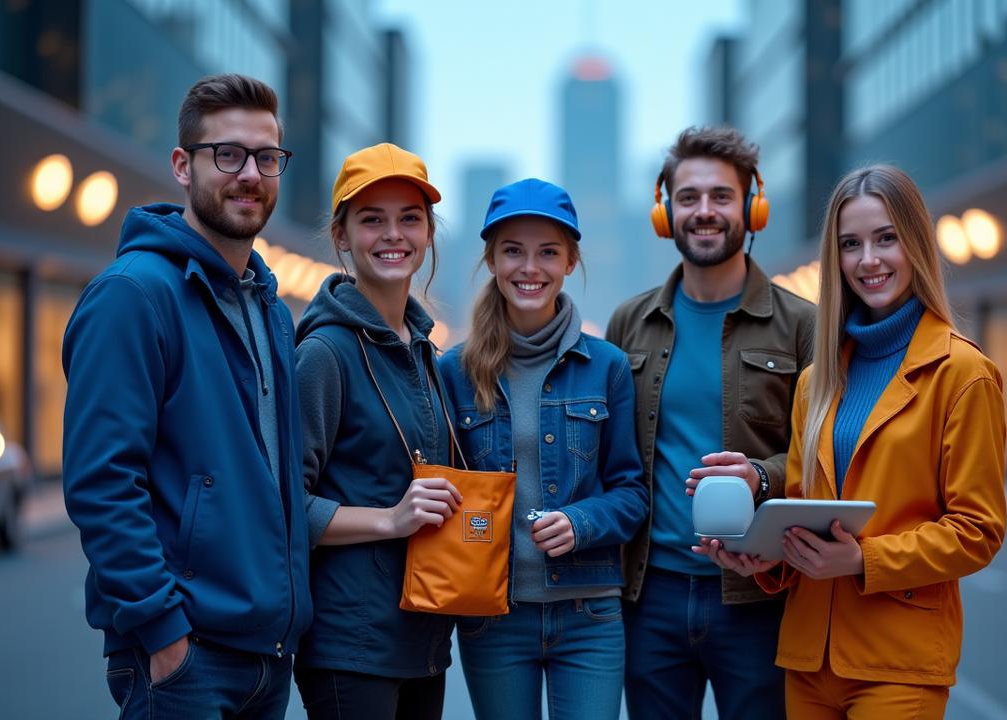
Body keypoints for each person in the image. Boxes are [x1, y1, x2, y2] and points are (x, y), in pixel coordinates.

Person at [696, 164, 1007, 719]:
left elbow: (978, 532)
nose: (868, 260)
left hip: (896, 662)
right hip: (808, 660)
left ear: (915, 243)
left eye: (886, 238)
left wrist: (861, 560)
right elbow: (803, 505)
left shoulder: (963, 373)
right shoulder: (818, 379)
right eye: (850, 244)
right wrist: (764, 559)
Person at [62, 74, 310, 718]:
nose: (250, 173)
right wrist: (162, 630)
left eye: (266, 157)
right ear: (183, 164)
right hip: (184, 656)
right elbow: (101, 481)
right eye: (227, 154)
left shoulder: (271, 309)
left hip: (265, 654)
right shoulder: (133, 295)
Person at [605, 125, 816, 719]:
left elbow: (825, 454)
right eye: (689, 196)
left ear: (752, 208)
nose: (704, 211)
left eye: (721, 196)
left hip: (759, 596)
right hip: (650, 597)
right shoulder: (629, 322)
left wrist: (762, 476)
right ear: (665, 211)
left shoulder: (802, 325)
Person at [437, 179, 649, 719]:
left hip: (590, 615)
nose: (529, 267)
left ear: (571, 261)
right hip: (495, 616)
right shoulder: (453, 372)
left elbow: (632, 494)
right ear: (491, 260)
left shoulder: (608, 367)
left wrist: (582, 521)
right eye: (513, 251)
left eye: (547, 252)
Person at [292, 143, 460, 720]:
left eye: (409, 218)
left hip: (422, 637)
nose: (394, 234)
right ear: (342, 237)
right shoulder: (324, 353)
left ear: (429, 234)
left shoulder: (423, 351)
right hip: (352, 644)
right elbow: (287, 502)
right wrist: (392, 518)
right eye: (372, 219)